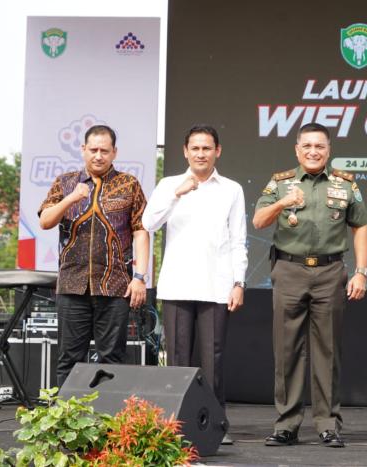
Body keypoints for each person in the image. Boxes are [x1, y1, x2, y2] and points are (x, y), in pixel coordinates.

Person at [253, 122, 367, 448]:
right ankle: (286, 425)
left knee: (327, 350)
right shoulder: (280, 183)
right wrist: (282, 203)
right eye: (307, 146)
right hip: (289, 270)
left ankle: (328, 424)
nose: (313, 152)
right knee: (286, 350)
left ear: (328, 150)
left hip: (330, 272)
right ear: (297, 150)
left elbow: (360, 227)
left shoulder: (345, 183)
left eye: (320, 146)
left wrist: (361, 272)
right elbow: (259, 221)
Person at [142, 125, 246, 445]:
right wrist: (177, 193)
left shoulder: (231, 189)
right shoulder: (169, 185)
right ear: (185, 152)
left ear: (218, 151)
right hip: (177, 283)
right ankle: (176, 425)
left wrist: (239, 282)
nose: (201, 154)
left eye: (207, 148)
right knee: (178, 359)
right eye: (195, 148)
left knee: (213, 359)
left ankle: (214, 425)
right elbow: (148, 223)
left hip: (216, 285)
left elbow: (238, 239)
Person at [38, 124, 149, 386]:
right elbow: (45, 221)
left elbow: (141, 231)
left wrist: (139, 277)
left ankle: (108, 412)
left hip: (115, 286)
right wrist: (70, 199)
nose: (98, 156)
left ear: (114, 152)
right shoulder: (65, 182)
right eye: (93, 150)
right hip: (72, 285)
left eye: (104, 151)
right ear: (83, 149)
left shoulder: (129, 184)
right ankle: (66, 412)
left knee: (112, 360)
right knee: (69, 359)